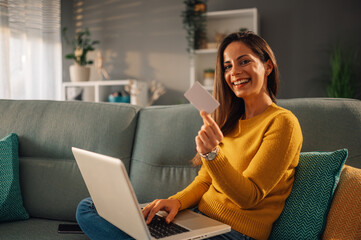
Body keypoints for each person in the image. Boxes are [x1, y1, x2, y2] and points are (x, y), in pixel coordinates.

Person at [76, 31, 303, 240]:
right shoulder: (228, 122)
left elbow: (249, 197)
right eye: (227, 66)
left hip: (236, 233)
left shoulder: (283, 123)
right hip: (200, 219)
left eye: (244, 61)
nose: (234, 72)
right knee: (89, 206)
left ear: (268, 66)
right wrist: (176, 201)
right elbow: (205, 181)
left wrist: (213, 154)